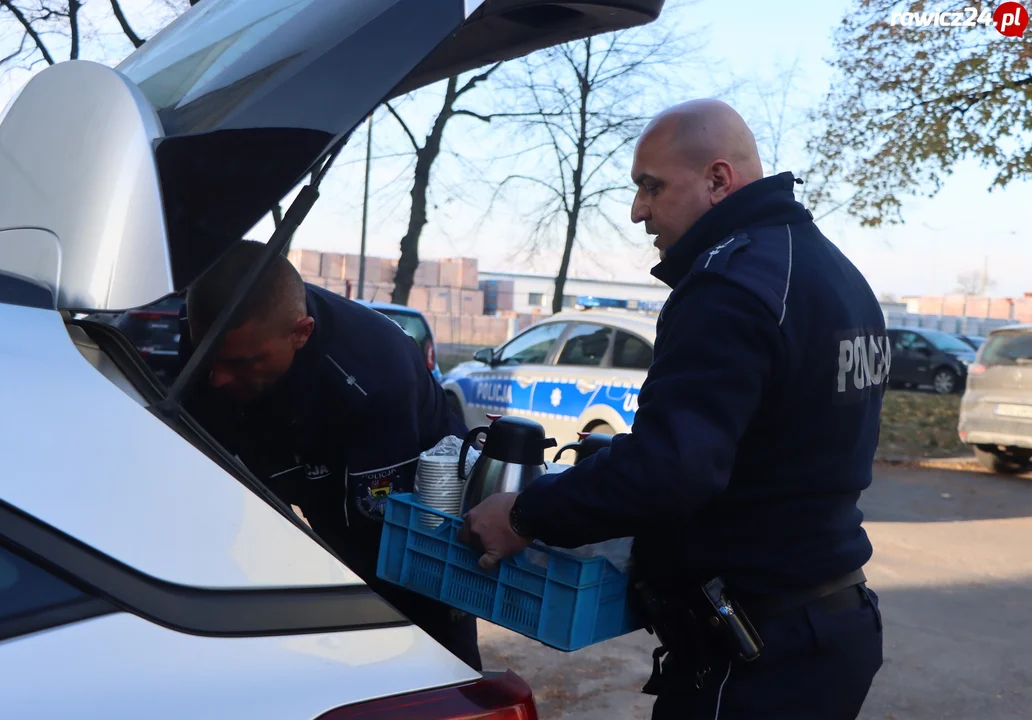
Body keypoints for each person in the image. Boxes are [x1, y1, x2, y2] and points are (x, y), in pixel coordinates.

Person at [461, 99, 886, 718]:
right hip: (828, 627)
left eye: (650, 187)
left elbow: (672, 469)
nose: (638, 211)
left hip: (758, 653)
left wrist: (525, 513)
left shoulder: (729, 286)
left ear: (717, 180)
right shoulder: (833, 273)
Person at [178, 240, 481, 670]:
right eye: (207, 356)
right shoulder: (219, 332)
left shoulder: (373, 376)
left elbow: (368, 542)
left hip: (410, 523)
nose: (218, 377)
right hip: (307, 466)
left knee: (422, 660)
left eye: (242, 362)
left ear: (300, 332)